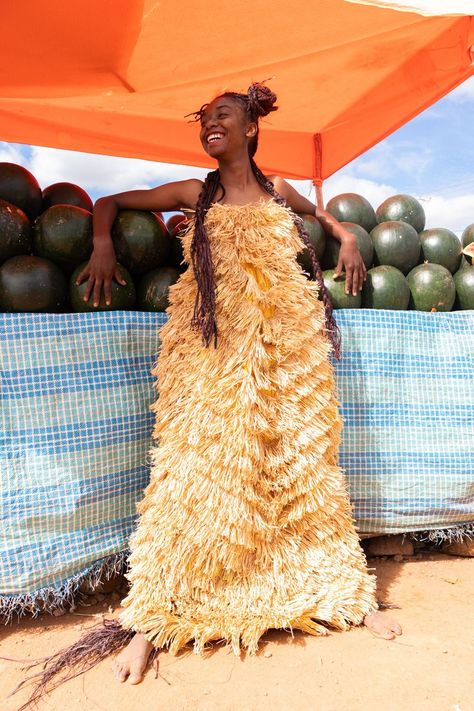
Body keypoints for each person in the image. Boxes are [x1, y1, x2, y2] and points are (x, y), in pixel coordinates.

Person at [11, 82, 401, 709]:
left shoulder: (279, 194)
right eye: (205, 120)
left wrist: (346, 235)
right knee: (195, 473)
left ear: (251, 128)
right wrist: (105, 243)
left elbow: (324, 218)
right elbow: (109, 201)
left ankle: (342, 599)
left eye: (224, 116)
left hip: (285, 351)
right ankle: (153, 619)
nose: (210, 125)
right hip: (212, 353)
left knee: (299, 470)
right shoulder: (195, 194)